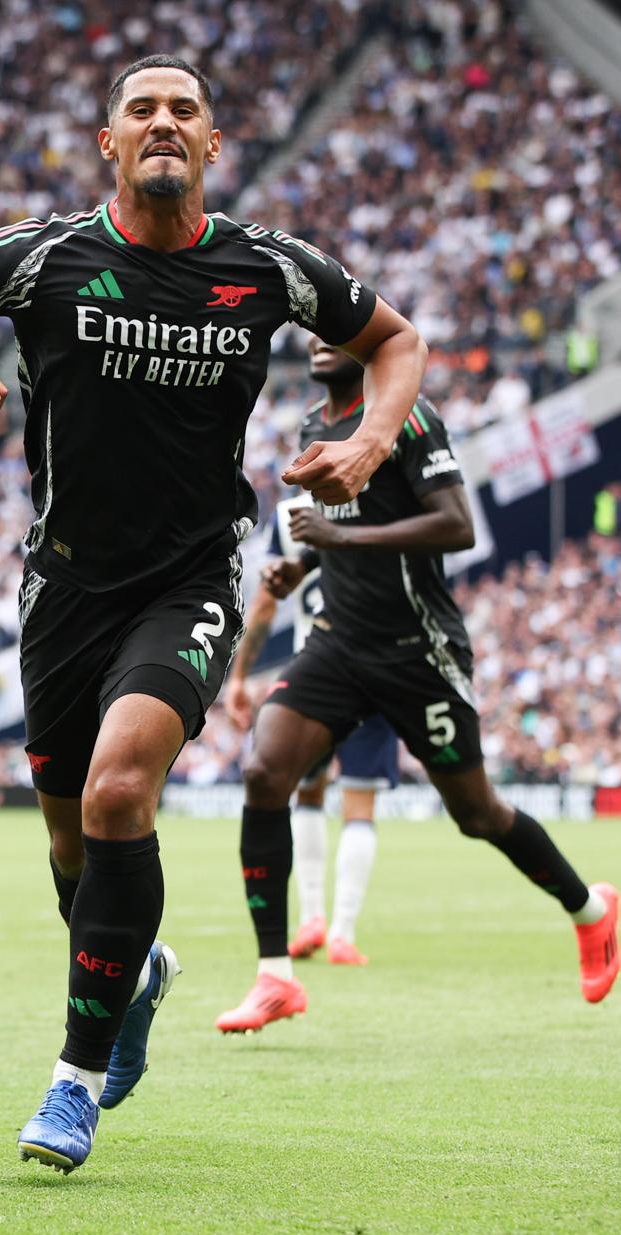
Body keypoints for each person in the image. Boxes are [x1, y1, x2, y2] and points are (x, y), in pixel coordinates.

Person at [0, 54, 429, 1172]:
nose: (163, 122)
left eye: (183, 111)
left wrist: (370, 439)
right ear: (108, 143)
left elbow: (397, 340)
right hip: (63, 589)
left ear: (214, 144)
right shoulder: (41, 255)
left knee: (118, 791)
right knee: (72, 842)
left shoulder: (269, 266)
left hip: (188, 582)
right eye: (141, 110)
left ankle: (73, 1080)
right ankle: (136, 971)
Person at [218, 335, 621, 1034]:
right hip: (338, 644)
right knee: (264, 773)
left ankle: (590, 911)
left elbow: (457, 526)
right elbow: (340, 530)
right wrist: (303, 566)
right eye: (311, 330)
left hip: (418, 651)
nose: (317, 338)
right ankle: (276, 976)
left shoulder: (407, 417)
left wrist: (336, 543)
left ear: (368, 344)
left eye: (334, 328)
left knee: (478, 814)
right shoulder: (314, 426)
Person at [226, 344, 412, 968]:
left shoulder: (291, 516)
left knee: (304, 792)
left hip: (315, 663)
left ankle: (309, 916)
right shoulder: (375, 494)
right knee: (358, 801)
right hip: (375, 655)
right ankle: (341, 932)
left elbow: (266, 603)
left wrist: (242, 677)